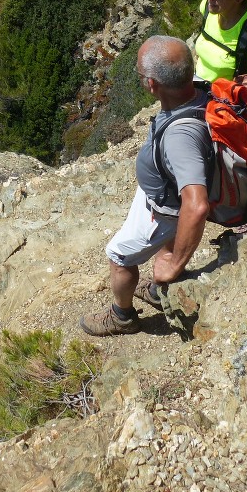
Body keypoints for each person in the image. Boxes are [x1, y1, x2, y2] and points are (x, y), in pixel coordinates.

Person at [80, 36, 212, 337]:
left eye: (141, 74)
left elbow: (197, 203)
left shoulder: (181, 137)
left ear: (152, 85)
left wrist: (175, 264)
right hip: (163, 191)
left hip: (163, 209)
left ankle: (122, 316)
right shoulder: (201, 88)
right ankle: (155, 290)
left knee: (118, 256)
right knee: (156, 242)